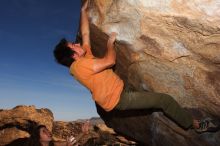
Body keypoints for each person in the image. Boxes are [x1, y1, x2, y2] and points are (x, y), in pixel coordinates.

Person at [53, 0, 219, 133]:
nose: (76, 43)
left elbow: (86, 34)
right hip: (119, 99)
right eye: (73, 45)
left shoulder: (84, 56)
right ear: (73, 55)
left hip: (121, 90)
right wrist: (110, 44)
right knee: (164, 100)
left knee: (151, 96)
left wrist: (83, 11)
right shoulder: (79, 67)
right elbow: (110, 61)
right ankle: (196, 126)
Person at [26, 122, 90, 146]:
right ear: (38, 138)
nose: (48, 132)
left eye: (47, 130)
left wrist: (83, 133)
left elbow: (71, 141)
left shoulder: (53, 144)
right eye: (44, 131)